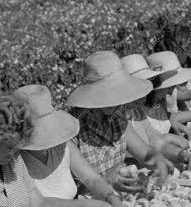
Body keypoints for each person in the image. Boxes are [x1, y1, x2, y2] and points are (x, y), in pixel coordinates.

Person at [0, 95, 117, 207]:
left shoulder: (14, 162)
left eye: (18, 146)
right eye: (9, 147)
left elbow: (39, 205)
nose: (16, 152)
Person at [15, 85, 129, 207]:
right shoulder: (16, 159)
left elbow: (92, 179)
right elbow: (37, 202)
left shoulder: (63, 146)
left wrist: (111, 196)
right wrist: (87, 205)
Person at [65, 50, 174, 191]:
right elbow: (78, 186)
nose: (117, 102)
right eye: (109, 95)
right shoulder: (73, 128)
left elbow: (145, 152)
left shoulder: (118, 118)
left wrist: (157, 159)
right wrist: (107, 181)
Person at [121, 52, 191, 171]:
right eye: (141, 88)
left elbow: (155, 140)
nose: (146, 93)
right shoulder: (119, 118)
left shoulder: (137, 111)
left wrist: (181, 155)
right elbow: (142, 151)